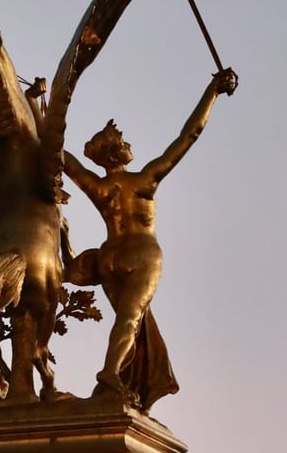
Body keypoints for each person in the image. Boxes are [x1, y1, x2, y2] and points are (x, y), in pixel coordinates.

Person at [63, 67, 237, 410]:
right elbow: (189, 136)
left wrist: (40, 116)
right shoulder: (144, 181)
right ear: (115, 152)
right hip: (142, 254)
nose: (129, 144)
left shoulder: (99, 188)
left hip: (109, 257)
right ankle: (110, 374)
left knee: (129, 324)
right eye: (124, 142)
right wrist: (212, 92)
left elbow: (63, 159)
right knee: (131, 319)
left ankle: (119, 375)